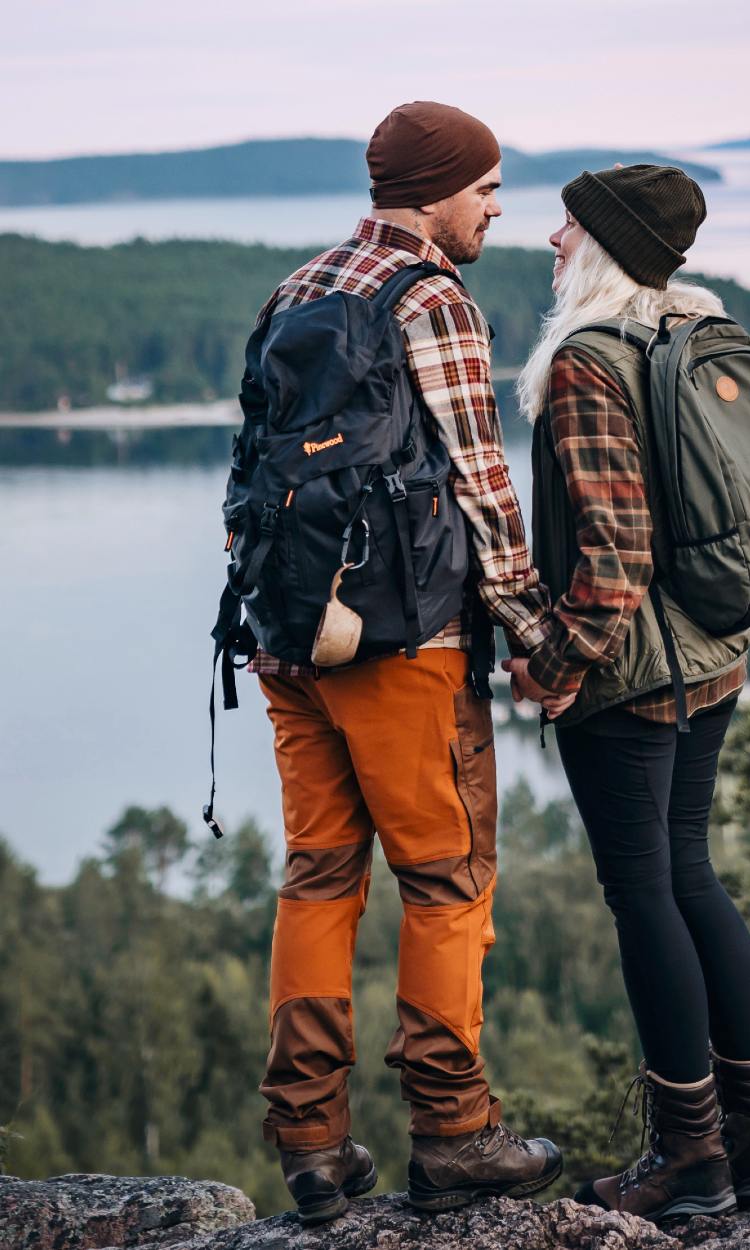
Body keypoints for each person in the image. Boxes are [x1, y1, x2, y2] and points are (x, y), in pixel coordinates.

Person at [249, 101, 566, 1223]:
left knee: (320, 874)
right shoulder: (431, 295)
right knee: (444, 875)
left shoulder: (301, 285)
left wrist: (282, 614)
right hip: (404, 643)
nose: (494, 205)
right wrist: (535, 633)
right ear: (433, 190)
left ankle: (310, 1137)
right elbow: (482, 482)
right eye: (483, 186)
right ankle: (455, 1129)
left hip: (291, 638)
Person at [504, 164, 750, 1224]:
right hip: (713, 657)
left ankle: (689, 1155)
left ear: (605, 245)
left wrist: (551, 661)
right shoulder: (692, 328)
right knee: (692, 877)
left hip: (631, 678)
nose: (550, 240)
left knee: (645, 894)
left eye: (568, 225)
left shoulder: (590, 359)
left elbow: (616, 552)